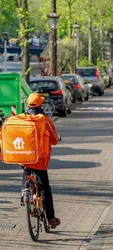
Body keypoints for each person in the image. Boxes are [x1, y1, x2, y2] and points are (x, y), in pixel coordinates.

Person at [21, 93, 61, 229]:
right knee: (45, 189)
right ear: (40, 105)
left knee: (26, 171)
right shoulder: (44, 120)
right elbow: (54, 140)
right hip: (40, 161)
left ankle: (25, 188)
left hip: (24, 158)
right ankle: (51, 219)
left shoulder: (21, 119)